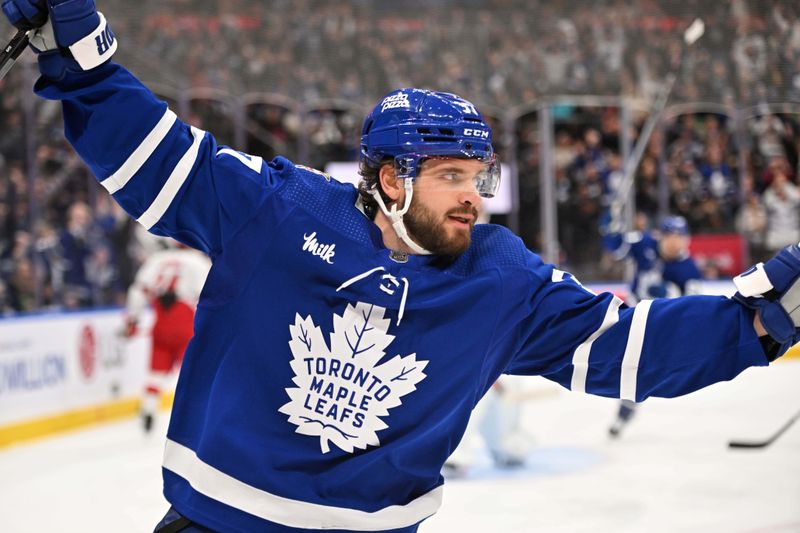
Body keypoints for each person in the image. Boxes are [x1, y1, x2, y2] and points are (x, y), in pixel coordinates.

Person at [4, 3, 800, 532]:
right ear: (390, 179)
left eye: (477, 177)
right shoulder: (278, 211)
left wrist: (760, 320)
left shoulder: (502, 278)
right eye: (451, 176)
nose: (473, 198)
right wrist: (84, 57)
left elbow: (628, 347)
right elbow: (158, 156)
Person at [601, 213, 704, 438]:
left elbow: (691, 309)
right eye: (671, 235)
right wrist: (610, 230)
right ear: (661, 235)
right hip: (628, 314)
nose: (675, 241)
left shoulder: (688, 270)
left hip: (657, 327)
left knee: (635, 370)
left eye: (680, 236)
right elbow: (616, 248)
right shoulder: (644, 243)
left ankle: (624, 413)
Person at [122, 240, 211, 433]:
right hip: (185, 321)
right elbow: (210, 294)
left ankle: (148, 407)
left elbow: (138, 291)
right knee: (193, 372)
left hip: (161, 320)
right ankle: (196, 415)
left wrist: (132, 320)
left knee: (156, 371)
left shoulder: (156, 259)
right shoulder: (198, 260)